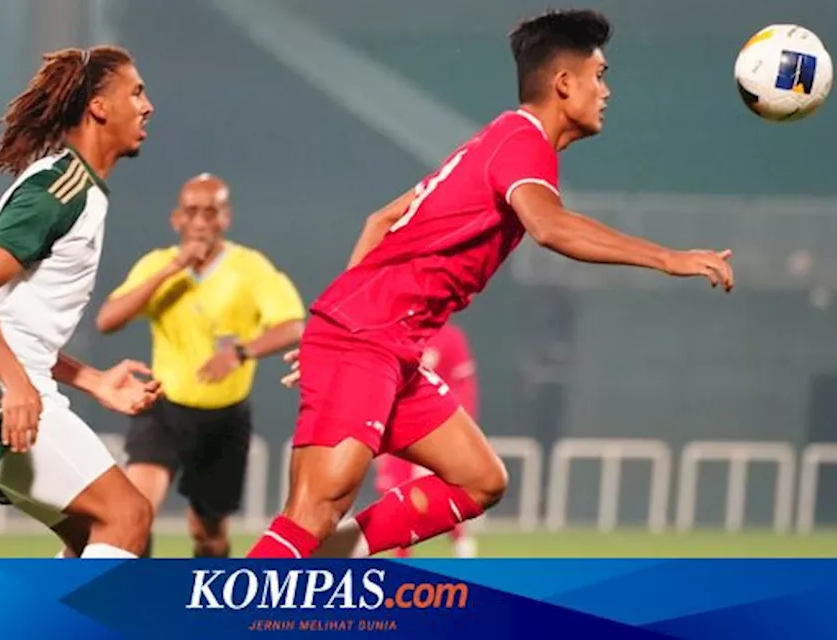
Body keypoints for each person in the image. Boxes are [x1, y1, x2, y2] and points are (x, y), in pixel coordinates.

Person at [250, 9, 734, 559]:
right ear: (563, 84)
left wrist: (340, 319)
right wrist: (668, 258)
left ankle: (331, 561)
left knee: (479, 479)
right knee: (316, 507)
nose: (606, 91)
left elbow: (380, 221)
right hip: (367, 340)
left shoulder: (497, 142)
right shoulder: (522, 144)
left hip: (385, 344)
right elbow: (550, 227)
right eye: (599, 75)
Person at [0, 45, 163, 559]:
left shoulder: (81, 190)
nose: (147, 106)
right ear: (98, 106)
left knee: (95, 537)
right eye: (136, 92)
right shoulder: (60, 187)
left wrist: (92, 380)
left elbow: (16, 326)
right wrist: (17, 383)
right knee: (128, 516)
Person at [95, 174, 305, 557]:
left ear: (226, 217)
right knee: (134, 513)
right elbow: (107, 320)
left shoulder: (250, 267)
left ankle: (204, 609)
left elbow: (293, 325)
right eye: (192, 211)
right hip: (162, 409)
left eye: (212, 211)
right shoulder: (158, 264)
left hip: (224, 418)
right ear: (177, 219)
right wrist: (172, 268)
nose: (201, 221)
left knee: (207, 533)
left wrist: (240, 352)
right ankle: (132, 609)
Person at [373, 321, 479, 558]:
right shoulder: (393, 335)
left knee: (428, 497)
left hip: (434, 431)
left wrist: (461, 431)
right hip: (395, 429)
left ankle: (460, 541)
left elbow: (464, 385)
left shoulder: (450, 337)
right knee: (392, 495)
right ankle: (402, 560)